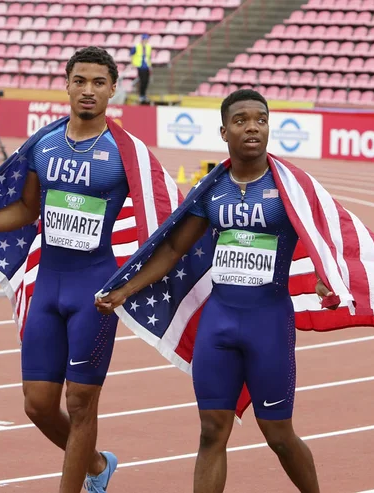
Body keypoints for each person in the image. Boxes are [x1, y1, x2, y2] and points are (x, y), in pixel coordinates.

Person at [0, 46, 173, 493]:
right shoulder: (44, 145)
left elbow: (164, 215)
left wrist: (138, 281)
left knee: (81, 404)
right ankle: (98, 464)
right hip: (49, 288)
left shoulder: (127, 152)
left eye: (98, 82)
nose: (88, 90)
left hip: (94, 292)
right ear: (66, 84)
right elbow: (27, 210)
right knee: (38, 405)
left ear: (112, 90)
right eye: (80, 80)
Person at [96, 89, 328, 493]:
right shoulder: (211, 190)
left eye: (260, 118)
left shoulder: (291, 187)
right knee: (210, 432)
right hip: (218, 324)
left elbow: (323, 239)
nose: (252, 126)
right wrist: (124, 290)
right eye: (241, 120)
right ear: (224, 131)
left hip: (268, 324)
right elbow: (171, 248)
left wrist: (327, 275)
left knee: (278, 435)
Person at [130, 33, 152, 104]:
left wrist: (150, 65)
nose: (146, 41)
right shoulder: (137, 46)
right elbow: (131, 54)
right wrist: (133, 63)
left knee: (146, 81)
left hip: (146, 66)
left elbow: (149, 57)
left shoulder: (148, 47)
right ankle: (141, 95)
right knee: (142, 81)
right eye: (145, 39)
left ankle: (144, 94)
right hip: (140, 66)